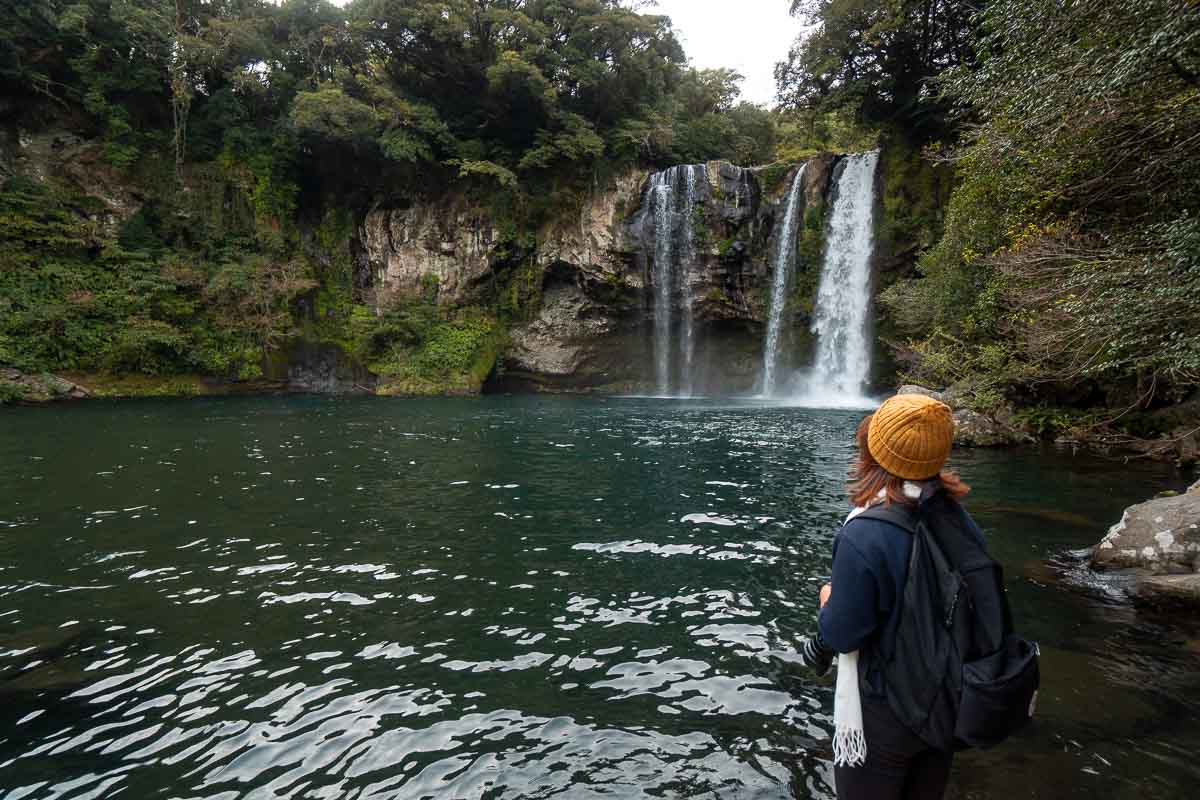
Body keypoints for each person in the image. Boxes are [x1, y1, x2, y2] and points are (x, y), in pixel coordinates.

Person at [798, 393, 984, 800]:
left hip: (885, 713)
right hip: (942, 702)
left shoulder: (864, 532)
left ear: (873, 450)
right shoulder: (960, 519)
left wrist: (829, 601)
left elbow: (846, 633)